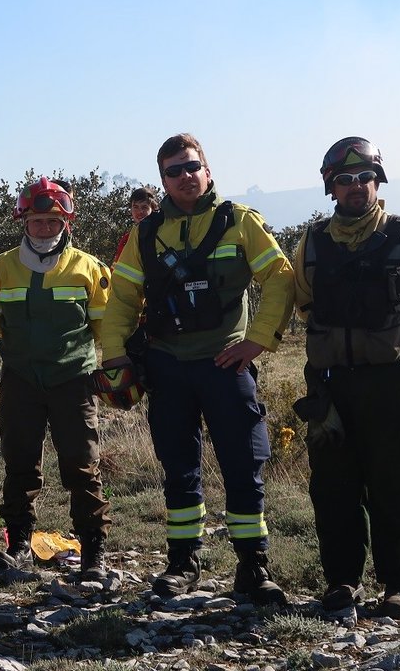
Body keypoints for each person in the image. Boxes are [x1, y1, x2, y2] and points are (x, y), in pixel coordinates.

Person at [100, 133, 295, 605]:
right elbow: (123, 298)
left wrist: (256, 341)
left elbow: (280, 276)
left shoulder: (240, 222)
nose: (185, 177)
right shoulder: (146, 235)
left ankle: (253, 565)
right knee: (178, 467)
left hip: (226, 366)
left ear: (207, 170)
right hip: (167, 366)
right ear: (162, 180)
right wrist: (114, 357)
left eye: (191, 167)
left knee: (243, 464)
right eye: (173, 171)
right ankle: (183, 562)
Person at [294, 137, 400, 616]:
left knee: (393, 480)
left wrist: (395, 345)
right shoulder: (314, 240)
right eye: (345, 180)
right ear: (331, 188)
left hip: (390, 379)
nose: (357, 186)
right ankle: (342, 581)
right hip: (331, 380)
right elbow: (303, 300)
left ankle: (399, 584)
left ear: (377, 182)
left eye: (365, 177)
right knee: (333, 485)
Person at [0, 177, 112, 579]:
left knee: (81, 466)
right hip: (20, 380)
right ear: (24, 220)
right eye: (37, 221)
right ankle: (18, 544)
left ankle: (94, 551)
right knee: (19, 464)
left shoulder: (89, 268)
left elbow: (104, 328)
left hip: (74, 380)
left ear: (66, 223)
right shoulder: (2, 268)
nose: (44, 229)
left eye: (52, 221)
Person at [113, 187, 159, 262]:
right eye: (135, 207)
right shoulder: (127, 239)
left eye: (144, 207)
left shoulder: (160, 234)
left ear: (153, 209)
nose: (140, 211)